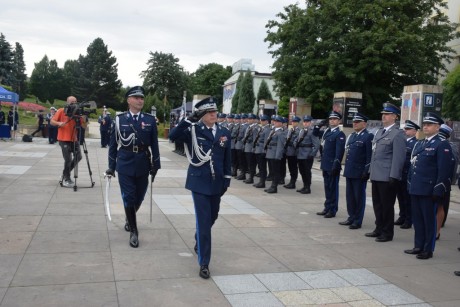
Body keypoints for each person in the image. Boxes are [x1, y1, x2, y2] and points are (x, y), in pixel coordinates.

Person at [169, 97, 231, 279]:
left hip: (217, 182)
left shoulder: (224, 132)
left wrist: (227, 179)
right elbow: (172, 137)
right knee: (204, 222)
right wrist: (189, 119)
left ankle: (198, 236)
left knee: (213, 216)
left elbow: (227, 158)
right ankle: (204, 262)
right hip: (199, 182)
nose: (213, 114)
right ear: (202, 115)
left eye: (215, 111)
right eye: (209, 112)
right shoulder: (193, 130)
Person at [106, 86, 161, 248]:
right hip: (125, 163)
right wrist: (111, 166)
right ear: (129, 100)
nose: (140, 100)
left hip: (143, 162)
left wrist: (156, 165)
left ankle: (129, 218)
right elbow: (112, 145)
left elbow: (155, 145)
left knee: (139, 197)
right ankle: (134, 231)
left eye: (141, 98)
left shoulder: (149, 120)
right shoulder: (119, 119)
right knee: (129, 196)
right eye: (136, 98)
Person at [404, 113, 452, 260]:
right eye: (424, 124)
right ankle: (418, 245)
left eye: (429, 124)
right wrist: (410, 182)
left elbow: (444, 169)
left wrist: (439, 188)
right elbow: (414, 166)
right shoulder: (420, 143)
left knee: (428, 220)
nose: (425, 126)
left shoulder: (441, 144)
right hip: (417, 187)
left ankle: (428, 249)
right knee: (417, 219)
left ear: (437, 127)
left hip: (429, 189)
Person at [367, 102, 405, 242]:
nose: (384, 116)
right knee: (377, 204)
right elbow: (374, 154)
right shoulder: (379, 132)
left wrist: (394, 175)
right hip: (377, 174)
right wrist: (370, 171)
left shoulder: (398, 134)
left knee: (387, 206)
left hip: (387, 176)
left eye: (387, 114)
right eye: (383, 114)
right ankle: (379, 228)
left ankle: (387, 232)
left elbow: (398, 157)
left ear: (394, 116)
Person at [340, 113, 373, 229]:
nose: (354, 124)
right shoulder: (352, 136)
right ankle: (351, 217)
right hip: (350, 170)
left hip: (359, 172)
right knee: (350, 196)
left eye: (357, 122)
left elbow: (369, 156)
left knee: (358, 197)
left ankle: (357, 220)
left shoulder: (368, 136)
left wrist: (366, 171)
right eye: (354, 122)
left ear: (364, 124)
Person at [317, 111, 346, 218]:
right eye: (330, 119)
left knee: (333, 188)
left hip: (333, 165)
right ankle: (327, 207)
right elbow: (316, 134)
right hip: (325, 164)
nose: (332, 121)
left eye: (334, 119)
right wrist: (318, 125)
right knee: (327, 187)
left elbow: (339, 152)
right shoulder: (327, 132)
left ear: (339, 121)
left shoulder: (339, 134)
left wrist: (336, 164)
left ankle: (332, 209)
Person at [50, 96, 83, 187]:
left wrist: (82, 116)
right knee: (68, 159)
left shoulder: (77, 111)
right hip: (63, 139)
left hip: (74, 138)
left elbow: (82, 124)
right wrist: (59, 123)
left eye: (75, 102)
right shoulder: (61, 110)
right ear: (67, 102)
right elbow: (52, 121)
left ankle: (65, 173)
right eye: (72, 102)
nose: (74, 103)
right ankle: (67, 178)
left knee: (78, 156)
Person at [395, 120, 420, 229]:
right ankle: (402, 216)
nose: (406, 131)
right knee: (400, 197)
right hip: (399, 173)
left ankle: (409, 219)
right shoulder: (402, 141)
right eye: (405, 129)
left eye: (408, 129)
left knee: (407, 199)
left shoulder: (416, 143)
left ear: (415, 131)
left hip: (407, 175)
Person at [435, 124, 457, 239]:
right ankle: (436, 230)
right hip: (445, 181)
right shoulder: (450, 145)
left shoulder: (445, 145)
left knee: (439, 206)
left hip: (441, 181)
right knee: (441, 206)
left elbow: (451, 164)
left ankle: (436, 231)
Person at [294, 115, 320, 194]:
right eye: (304, 122)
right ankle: (304, 186)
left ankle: (308, 187)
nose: (305, 123)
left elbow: (317, 144)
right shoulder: (302, 131)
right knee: (302, 171)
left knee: (307, 171)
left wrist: (312, 154)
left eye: (307, 122)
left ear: (310, 123)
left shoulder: (312, 131)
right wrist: (295, 144)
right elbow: (296, 139)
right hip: (300, 154)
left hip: (307, 154)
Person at [264, 116, 286, 193]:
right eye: (274, 121)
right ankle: (272, 186)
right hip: (270, 154)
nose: (275, 122)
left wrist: (277, 156)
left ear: (281, 123)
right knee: (272, 171)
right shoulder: (273, 131)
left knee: (276, 172)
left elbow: (280, 146)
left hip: (275, 155)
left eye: (277, 121)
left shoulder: (281, 133)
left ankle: (274, 187)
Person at [253, 115, 271, 188]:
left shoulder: (267, 129)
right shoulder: (261, 128)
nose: (262, 121)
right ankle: (261, 181)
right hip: (258, 149)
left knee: (262, 167)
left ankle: (262, 182)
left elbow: (266, 142)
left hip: (262, 151)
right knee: (260, 167)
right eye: (261, 120)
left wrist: (264, 151)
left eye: (263, 120)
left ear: (267, 121)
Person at [284, 116, 301, 189]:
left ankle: (293, 182)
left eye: (295, 122)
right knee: (290, 167)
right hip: (289, 151)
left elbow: (297, 141)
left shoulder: (299, 131)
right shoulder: (290, 130)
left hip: (294, 152)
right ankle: (291, 182)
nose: (293, 123)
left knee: (294, 168)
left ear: (298, 123)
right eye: (292, 122)